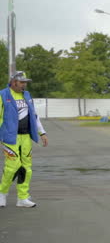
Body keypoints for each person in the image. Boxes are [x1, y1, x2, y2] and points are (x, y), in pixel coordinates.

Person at [0, 71, 48, 208]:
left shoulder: (27, 95)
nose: (24, 85)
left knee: (27, 168)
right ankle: (2, 193)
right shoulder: (3, 95)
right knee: (13, 166)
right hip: (10, 137)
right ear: (13, 82)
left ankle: (22, 197)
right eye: (22, 82)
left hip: (26, 136)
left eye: (25, 82)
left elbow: (34, 115)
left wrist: (42, 132)